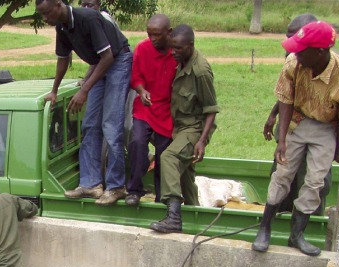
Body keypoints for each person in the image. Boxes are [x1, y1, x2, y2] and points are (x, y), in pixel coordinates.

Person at [252, 21, 339, 256]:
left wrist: (336, 153)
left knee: (315, 181)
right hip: (298, 119)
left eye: (301, 48)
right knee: (283, 171)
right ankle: (264, 228)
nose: (295, 52)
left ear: (319, 52)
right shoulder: (293, 62)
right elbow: (285, 99)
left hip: (327, 127)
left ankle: (296, 235)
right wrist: (283, 139)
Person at [36, 0, 133, 206]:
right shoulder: (62, 26)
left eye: (46, 13)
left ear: (58, 4)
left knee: (111, 125)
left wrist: (84, 90)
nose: (45, 19)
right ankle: (91, 184)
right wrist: (53, 91)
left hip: (118, 61)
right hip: (99, 63)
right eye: (41, 15)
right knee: (89, 124)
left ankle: (116, 187)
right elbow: (63, 59)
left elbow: (108, 57)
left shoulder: (87, 18)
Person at [150, 24, 219, 234]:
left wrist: (201, 141)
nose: (173, 52)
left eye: (178, 49)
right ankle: (194, 215)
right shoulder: (181, 61)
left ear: (191, 45)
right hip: (180, 127)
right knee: (185, 176)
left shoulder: (200, 71)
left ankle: (174, 217)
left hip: (195, 128)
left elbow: (211, 110)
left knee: (169, 157)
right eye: (172, 48)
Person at [263, 13, 331, 216]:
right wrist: (274, 113)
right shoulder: (294, 57)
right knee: (282, 176)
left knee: (314, 182)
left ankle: (309, 227)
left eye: (295, 37)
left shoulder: (328, 63)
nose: (290, 45)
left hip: (319, 129)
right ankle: (276, 221)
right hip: (292, 126)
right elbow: (288, 92)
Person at [125, 14, 178, 207]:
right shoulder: (142, 48)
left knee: (164, 153)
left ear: (169, 33)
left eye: (157, 35)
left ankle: (161, 194)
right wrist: (141, 89)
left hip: (168, 110)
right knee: (137, 142)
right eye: (149, 34)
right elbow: (136, 77)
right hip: (146, 107)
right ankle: (134, 189)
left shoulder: (177, 51)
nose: (153, 39)